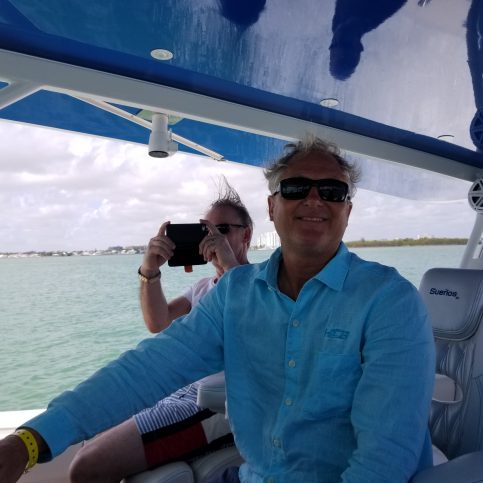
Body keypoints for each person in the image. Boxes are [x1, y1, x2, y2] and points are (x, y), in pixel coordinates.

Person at [0, 136, 435, 483]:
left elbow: (384, 458)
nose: (314, 200)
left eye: (333, 191)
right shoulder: (234, 295)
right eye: (296, 188)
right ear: (272, 207)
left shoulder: (390, 302)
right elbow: (146, 369)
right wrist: (29, 442)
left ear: (348, 210)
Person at [69, 179, 253, 482]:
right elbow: (158, 321)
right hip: (184, 391)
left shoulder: (262, 282)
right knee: (92, 437)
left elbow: (259, 322)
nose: (213, 238)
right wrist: (150, 270)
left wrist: (231, 265)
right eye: (207, 231)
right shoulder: (203, 287)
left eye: (222, 230)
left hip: (222, 403)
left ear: (246, 235)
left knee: (86, 466)